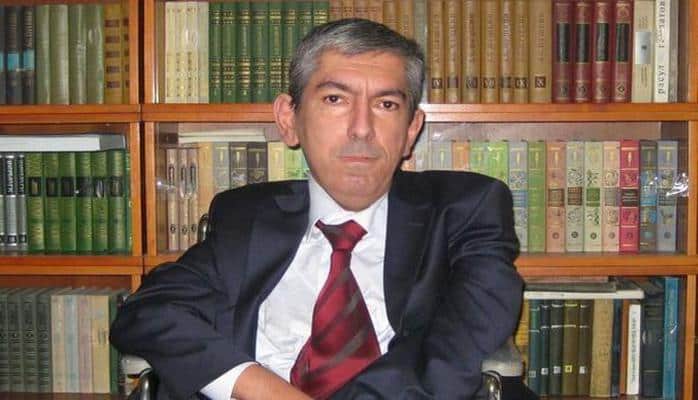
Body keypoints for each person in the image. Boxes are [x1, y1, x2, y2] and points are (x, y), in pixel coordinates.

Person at [110, 18, 523, 400]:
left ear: (412, 129)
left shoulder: (465, 209)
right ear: (289, 119)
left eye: (386, 105)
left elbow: (455, 348)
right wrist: (261, 389)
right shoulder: (246, 214)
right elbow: (150, 311)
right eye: (335, 99)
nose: (361, 129)